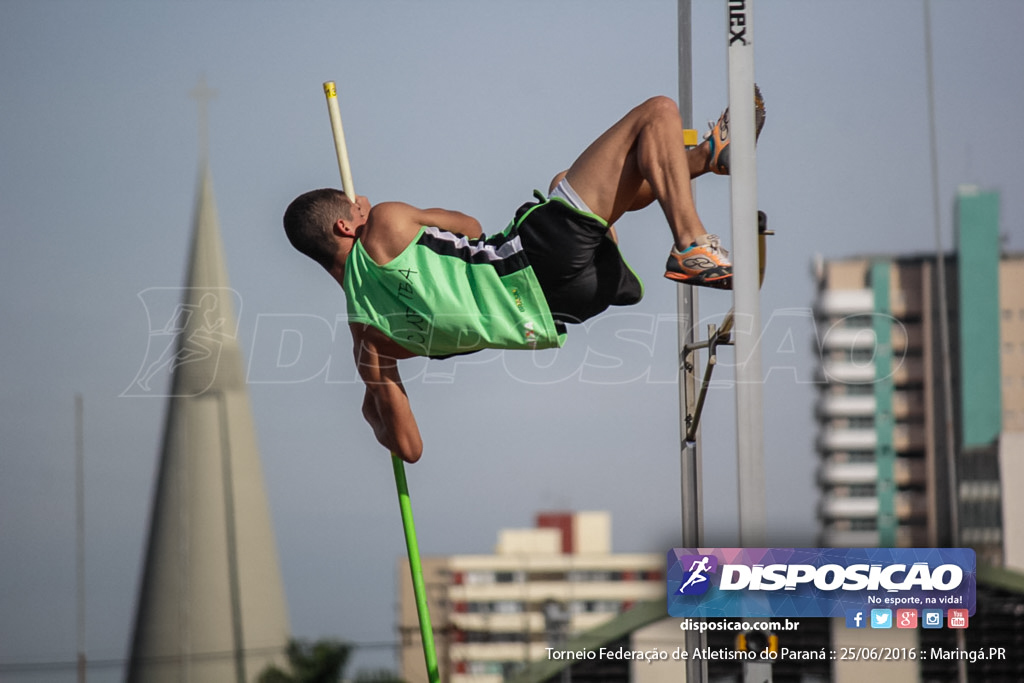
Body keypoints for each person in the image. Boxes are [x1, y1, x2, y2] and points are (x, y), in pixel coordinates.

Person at [283, 90, 765, 463]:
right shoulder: (385, 223)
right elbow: (469, 228)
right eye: (354, 207)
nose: (363, 204)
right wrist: (376, 212)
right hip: (535, 257)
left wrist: (374, 412)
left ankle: (707, 158)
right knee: (656, 114)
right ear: (347, 224)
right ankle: (692, 243)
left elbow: (407, 446)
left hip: (567, 307)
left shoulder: (367, 344)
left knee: (576, 183)